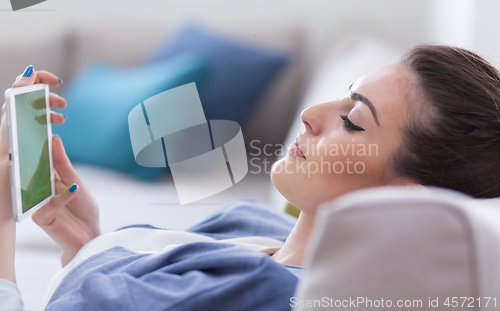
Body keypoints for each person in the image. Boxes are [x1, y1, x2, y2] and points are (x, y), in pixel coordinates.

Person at [1, 44, 500, 310]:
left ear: (404, 204)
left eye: (352, 120)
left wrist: (2, 222)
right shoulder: (255, 225)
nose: (311, 113)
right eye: (345, 95)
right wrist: (85, 239)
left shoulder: (259, 290)